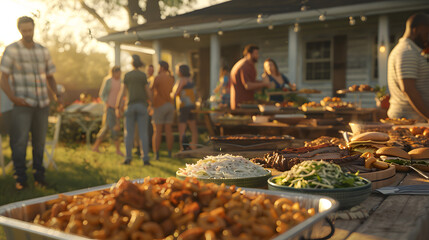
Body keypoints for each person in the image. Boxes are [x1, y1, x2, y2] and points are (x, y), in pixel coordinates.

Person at [0, 16, 61, 190]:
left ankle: (39, 178)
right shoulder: (11, 50)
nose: (28, 33)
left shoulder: (43, 51)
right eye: (24, 30)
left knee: (39, 142)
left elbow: (50, 76)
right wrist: (13, 98)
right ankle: (20, 178)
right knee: (19, 142)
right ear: (19, 30)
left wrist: (56, 95)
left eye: (30, 30)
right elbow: (3, 78)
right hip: (22, 104)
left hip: (42, 104)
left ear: (34, 28)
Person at [387, 13, 429, 122]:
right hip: (409, 121)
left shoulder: (410, 50)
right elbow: (408, 89)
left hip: (413, 119)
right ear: (416, 29)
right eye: (426, 33)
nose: (427, 37)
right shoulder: (407, 52)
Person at [116, 55, 151, 165]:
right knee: (143, 134)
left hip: (130, 106)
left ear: (131, 63)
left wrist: (117, 107)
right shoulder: (143, 75)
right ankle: (145, 158)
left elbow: (122, 92)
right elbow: (148, 91)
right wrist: (152, 104)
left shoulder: (127, 75)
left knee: (128, 134)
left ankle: (128, 158)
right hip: (142, 106)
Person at [92, 66, 124, 156]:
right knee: (114, 128)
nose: (120, 75)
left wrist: (121, 105)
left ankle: (95, 146)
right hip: (109, 107)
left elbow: (122, 95)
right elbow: (102, 94)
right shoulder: (108, 81)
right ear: (114, 73)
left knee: (106, 128)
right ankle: (118, 150)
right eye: (118, 73)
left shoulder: (121, 82)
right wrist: (106, 103)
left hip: (117, 108)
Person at [230, 44, 270, 110]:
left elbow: (252, 82)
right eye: (256, 54)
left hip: (246, 104)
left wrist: (263, 83)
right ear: (249, 54)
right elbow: (247, 85)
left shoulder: (249, 65)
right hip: (241, 105)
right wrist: (264, 84)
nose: (258, 56)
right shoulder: (244, 66)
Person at [150, 61, 175, 159]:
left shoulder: (157, 78)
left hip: (159, 105)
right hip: (170, 105)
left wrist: (151, 104)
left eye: (159, 66)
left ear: (162, 67)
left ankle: (156, 154)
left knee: (157, 131)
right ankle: (169, 153)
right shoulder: (171, 78)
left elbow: (151, 91)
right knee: (169, 130)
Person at [172, 64, 198, 151]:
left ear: (181, 71)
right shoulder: (191, 80)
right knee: (193, 128)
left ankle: (182, 148)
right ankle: (194, 146)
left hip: (184, 107)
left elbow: (176, 93)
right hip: (192, 105)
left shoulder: (182, 80)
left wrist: (171, 94)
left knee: (182, 129)